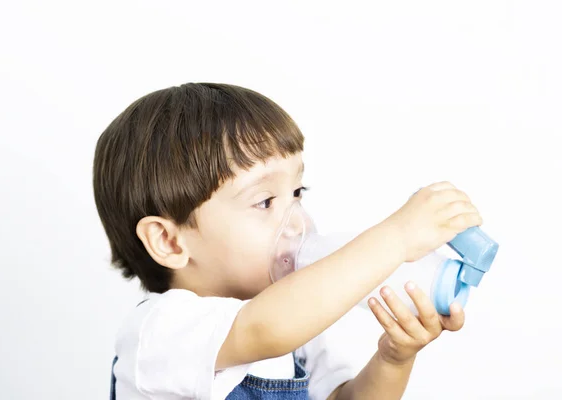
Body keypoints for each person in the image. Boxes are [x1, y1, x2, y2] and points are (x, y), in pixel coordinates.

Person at [93, 82, 480, 399]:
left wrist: (393, 360)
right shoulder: (161, 331)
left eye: (297, 192)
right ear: (170, 242)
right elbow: (265, 330)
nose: (295, 222)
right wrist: (397, 236)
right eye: (265, 201)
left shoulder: (298, 326)